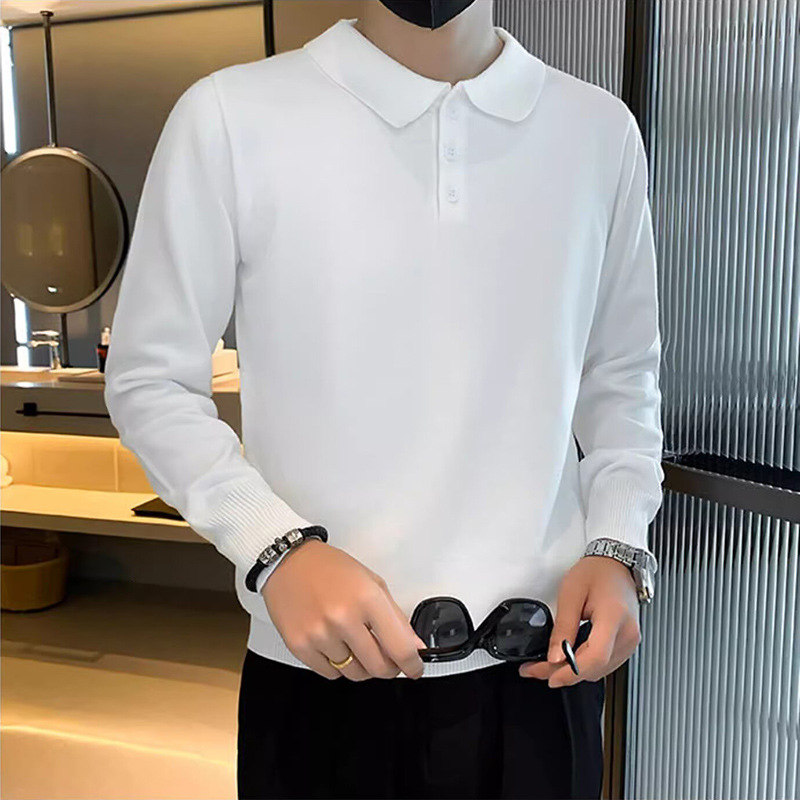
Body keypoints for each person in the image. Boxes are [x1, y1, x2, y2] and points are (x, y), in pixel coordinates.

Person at [104, 1, 665, 797]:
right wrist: (276, 549)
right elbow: (150, 379)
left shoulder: (598, 131)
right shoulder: (230, 116)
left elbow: (622, 377)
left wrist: (617, 544)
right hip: (325, 676)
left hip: (543, 674)